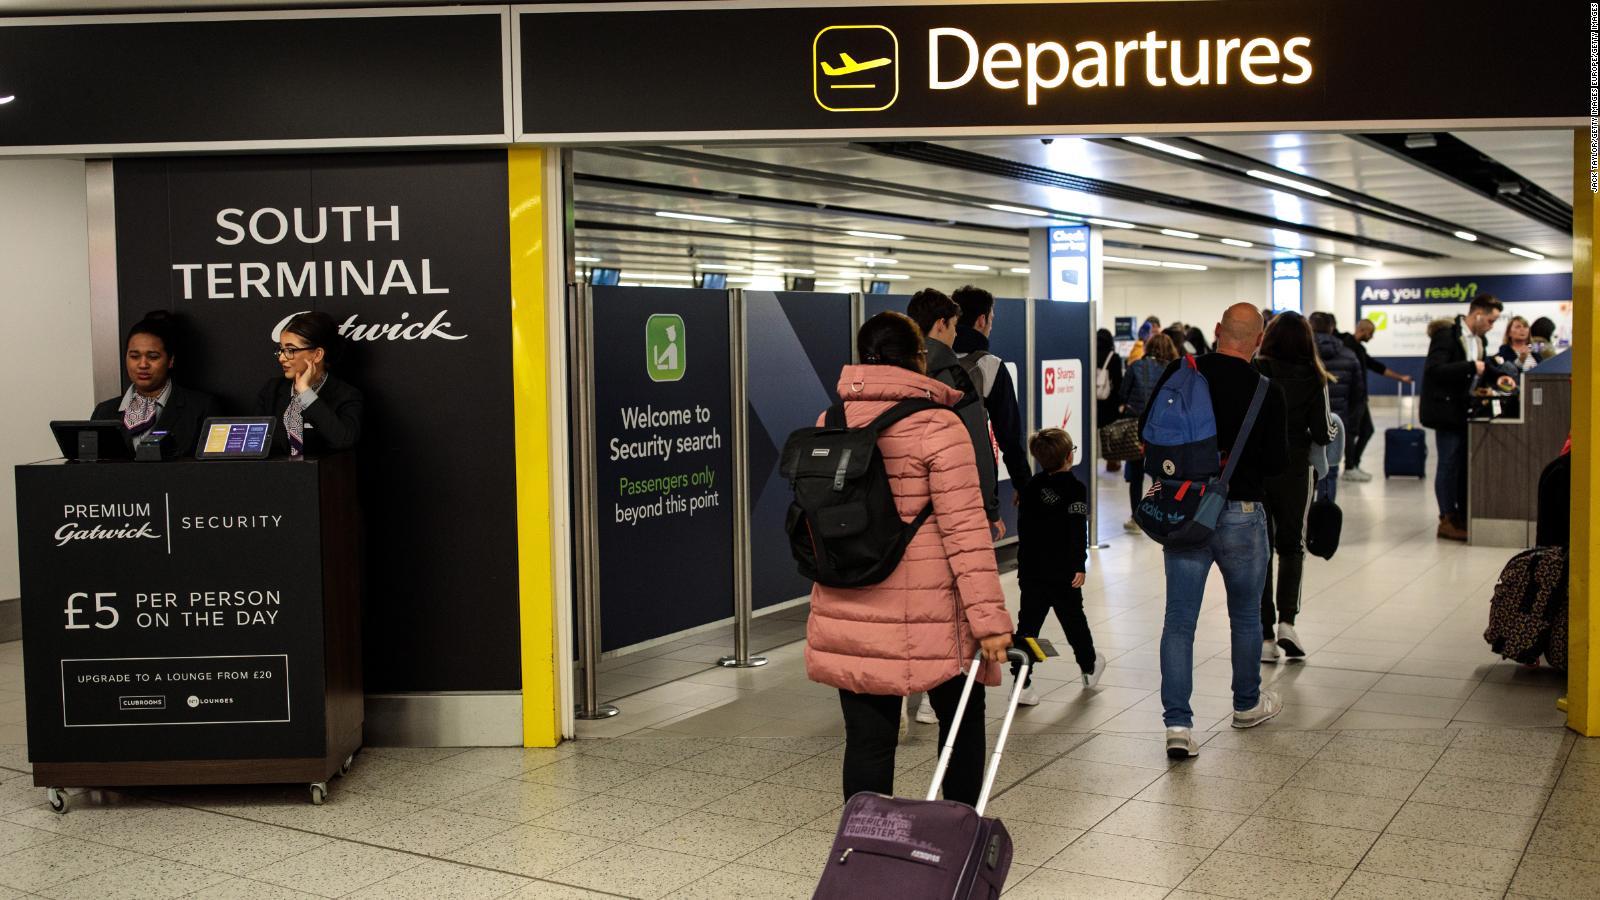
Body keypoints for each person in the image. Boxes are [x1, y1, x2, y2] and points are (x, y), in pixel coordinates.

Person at [805, 312, 1013, 806]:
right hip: (933, 617)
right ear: (919, 359)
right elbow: (965, 533)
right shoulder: (938, 425)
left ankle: (866, 853)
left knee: (867, 743)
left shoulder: (830, 422)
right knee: (961, 728)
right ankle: (954, 839)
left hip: (848, 606)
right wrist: (989, 621)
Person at [1140, 303, 1288, 758]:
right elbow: (1278, 464)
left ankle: (1178, 727)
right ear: (1258, 341)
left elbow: (1151, 436)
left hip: (1185, 511)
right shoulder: (1267, 390)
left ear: (1219, 331)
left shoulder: (1180, 371)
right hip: (1242, 512)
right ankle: (1246, 705)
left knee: (1179, 622)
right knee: (1245, 616)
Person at [904, 288, 1004, 728]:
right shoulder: (956, 375)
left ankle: (904, 690)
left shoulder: (886, 370)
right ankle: (935, 693)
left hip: (895, 520)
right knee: (943, 608)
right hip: (943, 514)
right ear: (943, 324)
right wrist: (988, 506)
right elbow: (976, 448)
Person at [1255, 312, 1333, 663]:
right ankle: (1288, 621)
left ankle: (1264, 635)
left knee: (1260, 548)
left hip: (1256, 471)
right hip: (1294, 469)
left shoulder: (1256, 371)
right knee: (1292, 545)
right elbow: (1322, 432)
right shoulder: (1315, 377)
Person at [1014, 428, 1105, 704]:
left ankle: (1021, 683)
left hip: (1031, 572)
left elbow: (1026, 529)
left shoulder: (1029, 487)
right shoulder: (1075, 489)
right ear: (1069, 456)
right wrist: (1079, 564)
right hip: (1063, 572)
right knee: (1074, 621)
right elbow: (1077, 529)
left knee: (1028, 627)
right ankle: (1088, 666)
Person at [1422, 293, 1503, 541]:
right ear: (1477, 313)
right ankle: (1446, 518)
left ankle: (1458, 514)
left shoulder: (1479, 340)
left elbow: (1479, 369)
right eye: (1490, 320)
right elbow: (1435, 370)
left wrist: (1495, 377)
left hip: (1463, 409)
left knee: (1459, 466)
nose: (1492, 325)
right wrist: (1471, 368)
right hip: (1445, 411)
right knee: (1447, 464)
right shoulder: (1447, 335)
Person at [91, 311, 220, 459]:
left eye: (153, 357)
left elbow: (213, 472)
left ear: (170, 360)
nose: (143, 364)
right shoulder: (104, 412)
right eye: (134, 356)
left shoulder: (201, 408)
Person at [952, 287, 1032, 493]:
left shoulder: (924, 361)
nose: (990, 327)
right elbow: (1009, 436)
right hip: (974, 475)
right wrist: (1023, 485)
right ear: (981, 320)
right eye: (991, 320)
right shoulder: (990, 365)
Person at [258, 311, 363, 457]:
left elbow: (343, 441)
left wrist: (306, 394)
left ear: (317, 354)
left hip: (321, 477)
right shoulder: (272, 390)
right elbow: (255, 444)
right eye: (281, 349)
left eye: (290, 350)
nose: (282, 357)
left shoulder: (346, 395)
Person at [1339, 318, 1413, 482]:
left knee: (1367, 430)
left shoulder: (1358, 349)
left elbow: (1375, 366)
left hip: (1360, 398)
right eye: (1371, 333)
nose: (1371, 337)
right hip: (1352, 398)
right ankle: (1350, 467)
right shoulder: (1347, 347)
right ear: (1363, 330)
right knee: (1352, 432)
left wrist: (1400, 378)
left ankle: (1354, 464)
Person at [1119, 332, 1179, 532]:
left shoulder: (1135, 366)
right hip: (1164, 431)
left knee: (1135, 475)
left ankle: (1137, 517)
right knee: (1160, 475)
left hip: (1137, 429)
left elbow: (1122, 395)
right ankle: (1159, 513)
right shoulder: (1174, 371)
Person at [1309, 313, 1363, 486]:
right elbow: (1358, 393)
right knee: (1330, 471)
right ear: (1331, 328)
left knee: (1308, 471)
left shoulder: (1302, 355)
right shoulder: (1349, 354)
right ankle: (1326, 508)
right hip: (1336, 420)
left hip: (1307, 424)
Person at [1094, 328, 1125, 472]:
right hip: (1110, 402)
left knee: (1093, 432)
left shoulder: (1090, 355)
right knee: (1112, 433)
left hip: (1093, 402)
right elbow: (1118, 382)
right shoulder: (1114, 358)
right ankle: (1112, 462)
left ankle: (1091, 461)